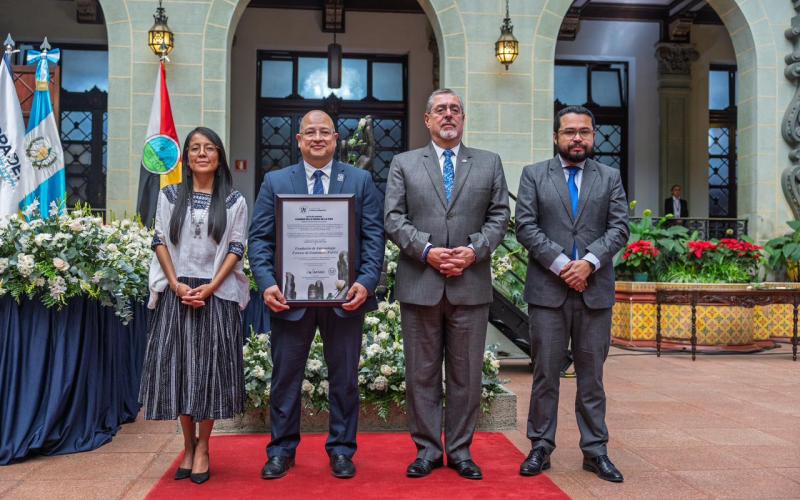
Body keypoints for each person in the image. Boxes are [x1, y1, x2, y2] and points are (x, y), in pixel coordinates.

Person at [249, 110, 384, 480]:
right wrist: (267, 283)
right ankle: (281, 450)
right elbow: (259, 239)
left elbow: (374, 239)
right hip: (289, 300)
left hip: (345, 299)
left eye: (325, 132)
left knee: (344, 380)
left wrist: (366, 281)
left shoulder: (360, 180)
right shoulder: (276, 181)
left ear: (337, 139)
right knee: (285, 378)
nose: (318, 138)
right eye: (310, 132)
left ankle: (342, 449)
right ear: (298, 140)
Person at [384, 89, 510, 481]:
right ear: (427, 120)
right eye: (441, 110)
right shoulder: (404, 163)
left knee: (466, 374)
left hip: (469, 284)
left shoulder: (488, 163)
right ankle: (426, 450)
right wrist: (426, 251)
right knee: (421, 373)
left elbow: (500, 216)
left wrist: (474, 252)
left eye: (455, 109)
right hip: (421, 282)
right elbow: (393, 217)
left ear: (463, 118)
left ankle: (459, 450)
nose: (449, 115)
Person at [515, 105, 628, 483]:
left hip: (595, 293)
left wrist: (590, 263)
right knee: (545, 373)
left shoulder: (609, 177)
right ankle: (540, 447)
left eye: (584, 131)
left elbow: (619, 228)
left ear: (594, 136)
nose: (577, 138)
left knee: (591, 377)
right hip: (548, 292)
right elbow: (526, 227)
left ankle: (595, 451)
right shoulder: (534, 175)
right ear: (556, 137)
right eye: (569, 132)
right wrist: (564, 264)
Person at [139, 127, 250, 485]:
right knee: (180, 371)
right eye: (195, 149)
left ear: (219, 157)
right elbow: (159, 240)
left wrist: (210, 288)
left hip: (215, 296)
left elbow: (236, 248)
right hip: (178, 290)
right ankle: (187, 445)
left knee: (209, 374)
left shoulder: (234, 201)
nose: (202, 154)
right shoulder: (170, 195)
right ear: (186, 157)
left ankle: (204, 446)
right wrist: (175, 283)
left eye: (209, 148)